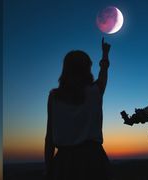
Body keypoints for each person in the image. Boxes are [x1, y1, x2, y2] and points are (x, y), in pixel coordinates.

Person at [44, 38, 111, 180]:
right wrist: (105, 53)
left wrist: (48, 168)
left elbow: (49, 137)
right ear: (87, 69)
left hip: (64, 163)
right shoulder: (95, 91)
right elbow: (103, 72)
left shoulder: (54, 96)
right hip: (94, 161)